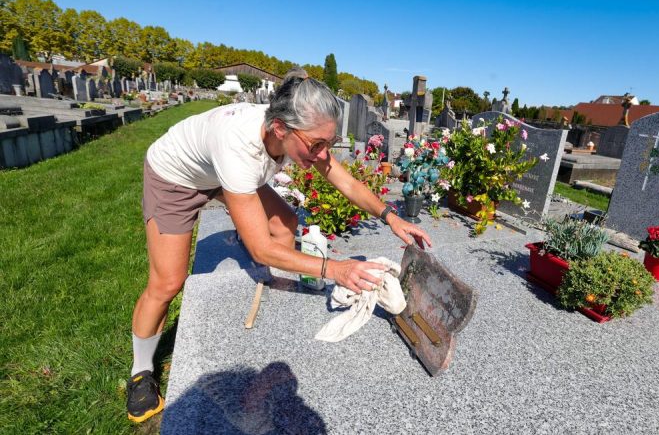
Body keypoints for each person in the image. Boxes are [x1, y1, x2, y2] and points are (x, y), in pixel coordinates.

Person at [126, 68, 432, 423]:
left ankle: (272, 283)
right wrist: (336, 269)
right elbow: (260, 248)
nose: (322, 155)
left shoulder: (295, 133)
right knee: (167, 282)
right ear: (279, 129)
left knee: (285, 221)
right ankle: (140, 371)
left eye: (327, 145)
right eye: (316, 145)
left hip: (222, 171)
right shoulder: (238, 145)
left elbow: (346, 183)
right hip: (176, 179)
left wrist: (391, 216)